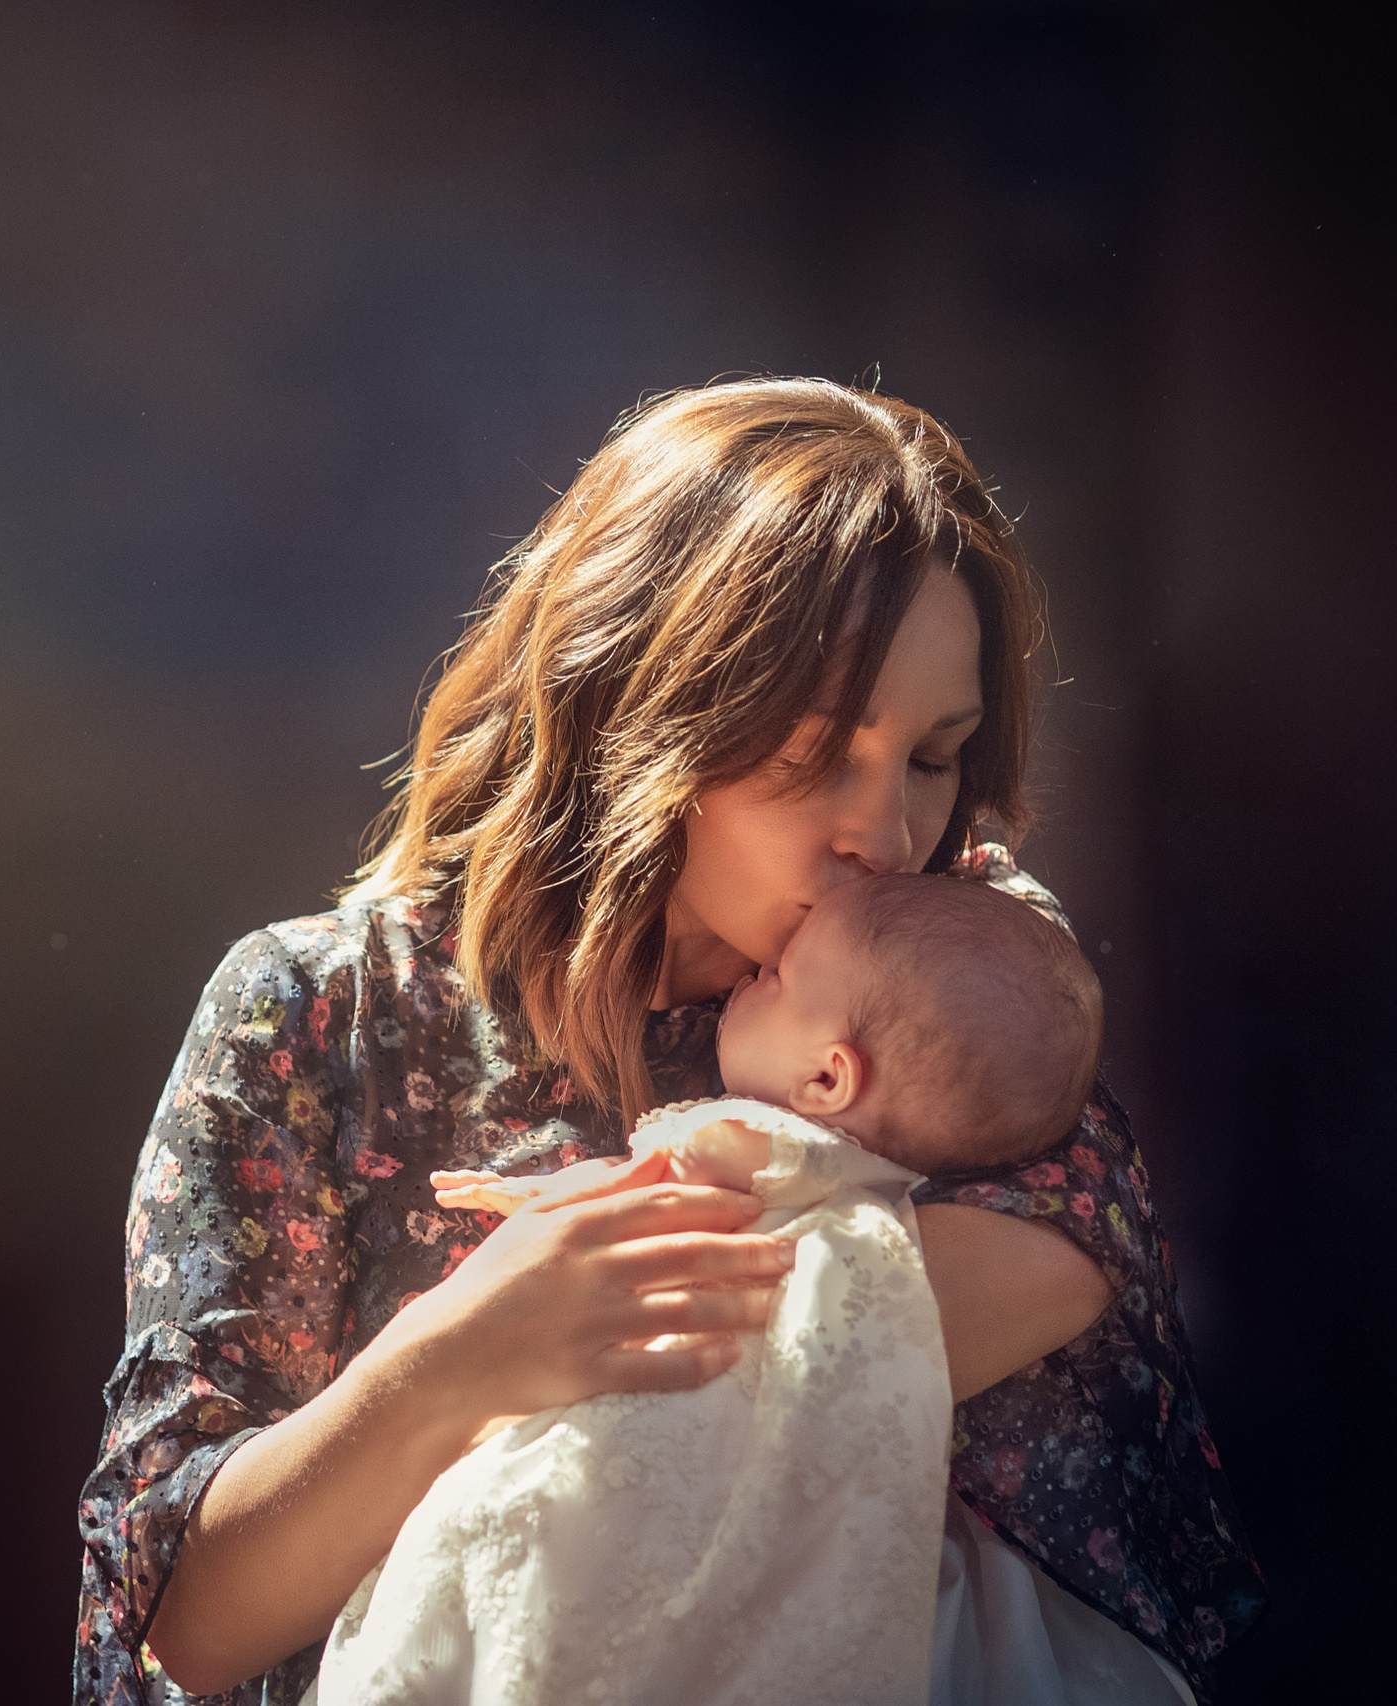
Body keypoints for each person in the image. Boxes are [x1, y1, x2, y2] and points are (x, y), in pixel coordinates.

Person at [75, 378, 1262, 1706]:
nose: (885, 834)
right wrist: (461, 1351)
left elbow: (1061, 1257)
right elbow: (182, 1613)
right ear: (641, 714)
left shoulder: (965, 971)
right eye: (815, 756)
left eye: (934, 755)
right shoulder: (314, 1012)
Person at [310, 872, 1192, 1704]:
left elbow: (646, 1182)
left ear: (828, 1077)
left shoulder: (760, 1139)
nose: (748, 983)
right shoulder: (898, 1189)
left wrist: (537, 1198)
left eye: (775, 978)